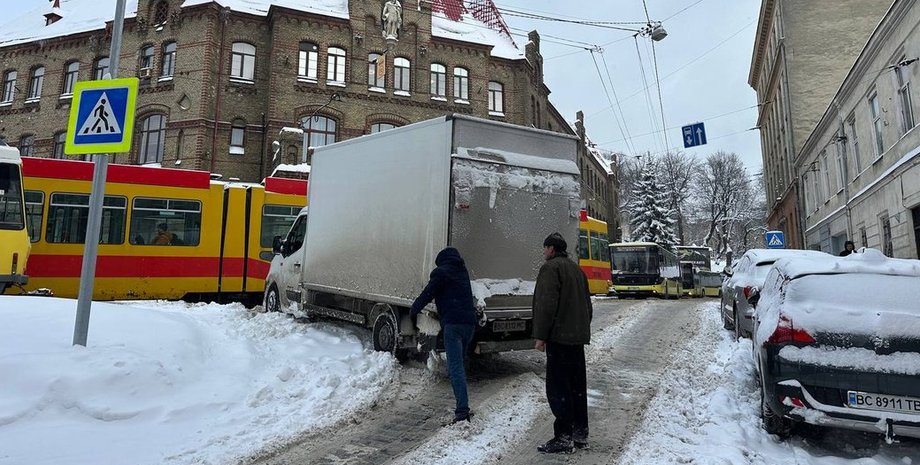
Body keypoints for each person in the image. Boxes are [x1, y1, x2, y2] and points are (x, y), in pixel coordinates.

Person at [533, 232, 593, 454]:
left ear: (551, 249)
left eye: (545, 248)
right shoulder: (577, 270)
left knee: (559, 388)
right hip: (576, 339)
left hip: (559, 339)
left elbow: (546, 304)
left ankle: (563, 436)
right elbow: (588, 306)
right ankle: (580, 433)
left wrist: (541, 335)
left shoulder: (551, 269)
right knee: (577, 387)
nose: (544, 252)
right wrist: (581, 330)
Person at [410, 247, 478, 424]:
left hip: (453, 326)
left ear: (441, 261)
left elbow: (427, 294)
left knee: (455, 368)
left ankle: (462, 411)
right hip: (469, 325)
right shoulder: (462, 271)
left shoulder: (440, 273)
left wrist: (414, 310)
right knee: (460, 366)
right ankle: (463, 404)